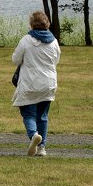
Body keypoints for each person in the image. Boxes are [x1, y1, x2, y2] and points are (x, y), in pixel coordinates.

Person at [11, 9, 60, 156]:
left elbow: (15, 60)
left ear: (32, 24)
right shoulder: (54, 41)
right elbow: (56, 60)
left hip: (30, 84)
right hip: (48, 84)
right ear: (47, 24)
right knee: (43, 116)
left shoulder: (26, 40)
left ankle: (34, 136)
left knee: (28, 114)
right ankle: (42, 147)